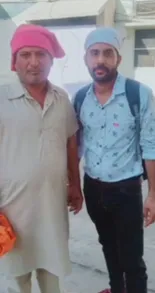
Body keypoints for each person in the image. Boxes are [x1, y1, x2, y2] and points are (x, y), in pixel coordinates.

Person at [0, 24, 83, 293]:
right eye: (26, 55)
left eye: (41, 54)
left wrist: (75, 185)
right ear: (15, 61)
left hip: (51, 204)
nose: (34, 63)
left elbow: (70, 142)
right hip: (11, 207)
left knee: (51, 266)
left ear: (50, 60)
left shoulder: (61, 99)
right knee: (18, 273)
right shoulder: (2, 98)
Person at [73, 27, 155, 293]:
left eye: (108, 53)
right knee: (108, 247)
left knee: (132, 258)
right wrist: (73, 184)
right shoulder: (80, 98)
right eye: (94, 53)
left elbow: (150, 146)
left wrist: (153, 194)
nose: (101, 60)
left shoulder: (138, 94)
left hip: (126, 189)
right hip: (94, 188)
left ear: (118, 58)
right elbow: (77, 146)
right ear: (85, 58)